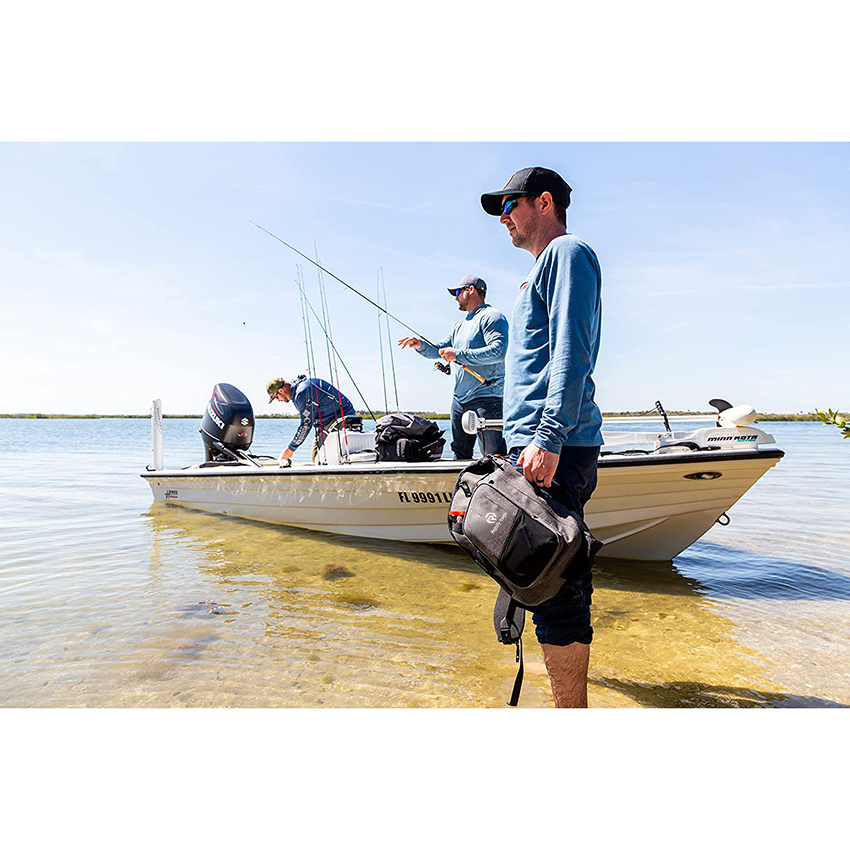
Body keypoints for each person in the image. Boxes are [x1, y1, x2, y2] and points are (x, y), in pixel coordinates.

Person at [480, 167, 603, 708]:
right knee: (532, 574)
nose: (504, 218)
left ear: (544, 202)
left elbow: (573, 350)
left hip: (551, 444)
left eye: (510, 205)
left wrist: (550, 433)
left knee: (558, 584)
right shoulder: (536, 272)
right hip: (530, 445)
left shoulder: (568, 253)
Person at [398, 275, 508, 459]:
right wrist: (420, 345)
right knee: (460, 454)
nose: (455, 297)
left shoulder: (492, 317)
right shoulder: (459, 325)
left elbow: (498, 352)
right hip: (459, 401)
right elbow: (439, 350)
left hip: (487, 399)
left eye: (457, 292)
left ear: (470, 290)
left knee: (494, 457)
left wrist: (458, 354)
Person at [266, 375, 357, 465]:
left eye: (276, 397)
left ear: (281, 391)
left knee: (322, 457)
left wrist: (290, 450)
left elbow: (306, 425)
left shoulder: (302, 392)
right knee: (316, 457)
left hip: (341, 417)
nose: (278, 400)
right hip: (324, 423)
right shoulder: (296, 393)